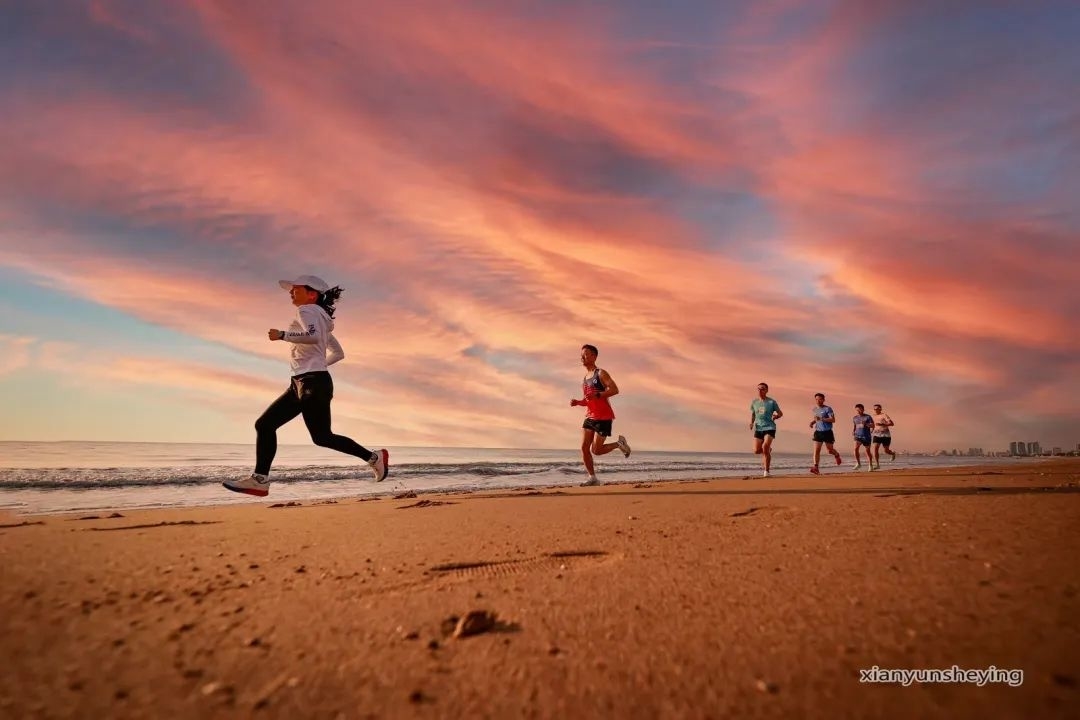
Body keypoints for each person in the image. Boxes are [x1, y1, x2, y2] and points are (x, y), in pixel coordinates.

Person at [224, 275, 389, 497]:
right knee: (315, 435)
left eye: (296, 289)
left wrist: (283, 335)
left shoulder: (307, 311)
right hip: (304, 382)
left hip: (311, 382)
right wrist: (318, 366)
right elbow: (338, 353)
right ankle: (373, 457)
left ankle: (260, 480)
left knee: (268, 426)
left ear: (312, 294)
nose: (291, 292)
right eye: (291, 290)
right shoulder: (321, 319)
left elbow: (312, 336)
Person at [569, 344, 631, 486]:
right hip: (590, 416)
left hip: (604, 417)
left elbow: (615, 389)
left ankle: (619, 444)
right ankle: (592, 478)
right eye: (581, 355)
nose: (582, 357)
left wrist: (598, 394)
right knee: (584, 448)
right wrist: (578, 402)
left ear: (594, 356)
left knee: (596, 450)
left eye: (585, 354)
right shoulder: (585, 379)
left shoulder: (601, 373)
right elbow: (588, 400)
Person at [750, 382, 783, 477]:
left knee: (765, 447)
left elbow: (780, 413)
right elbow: (753, 414)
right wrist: (751, 423)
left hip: (770, 427)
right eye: (758, 389)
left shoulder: (771, 402)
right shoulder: (754, 402)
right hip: (759, 428)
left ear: (767, 390)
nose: (760, 390)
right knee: (756, 451)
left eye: (762, 389)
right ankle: (768, 450)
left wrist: (776, 417)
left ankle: (766, 471)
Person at [808, 392, 843, 474]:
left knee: (830, 451)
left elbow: (833, 420)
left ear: (823, 400)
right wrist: (812, 422)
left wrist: (822, 419)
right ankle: (816, 467)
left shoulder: (828, 409)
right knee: (816, 450)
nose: (818, 401)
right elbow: (817, 419)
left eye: (820, 399)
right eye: (816, 399)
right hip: (818, 432)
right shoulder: (815, 409)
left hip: (827, 432)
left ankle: (837, 455)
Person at [871, 403, 897, 468]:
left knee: (886, 451)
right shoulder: (873, 416)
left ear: (880, 409)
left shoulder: (884, 415)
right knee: (875, 448)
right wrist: (871, 429)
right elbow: (873, 425)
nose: (875, 410)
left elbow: (892, 423)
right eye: (874, 409)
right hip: (876, 435)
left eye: (877, 409)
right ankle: (877, 464)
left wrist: (882, 425)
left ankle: (893, 453)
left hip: (886, 435)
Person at [852, 403, 875, 470]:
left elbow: (873, 426)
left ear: (863, 409)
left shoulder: (868, 417)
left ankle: (870, 465)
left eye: (860, 410)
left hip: (866, 436)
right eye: (857, 410)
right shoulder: (855, 418)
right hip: (858, 436)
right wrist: (853, 431)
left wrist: (866, 424)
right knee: (855, 449)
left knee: (867, 451)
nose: (858, 411)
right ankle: (858, 463)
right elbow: (854, 426)